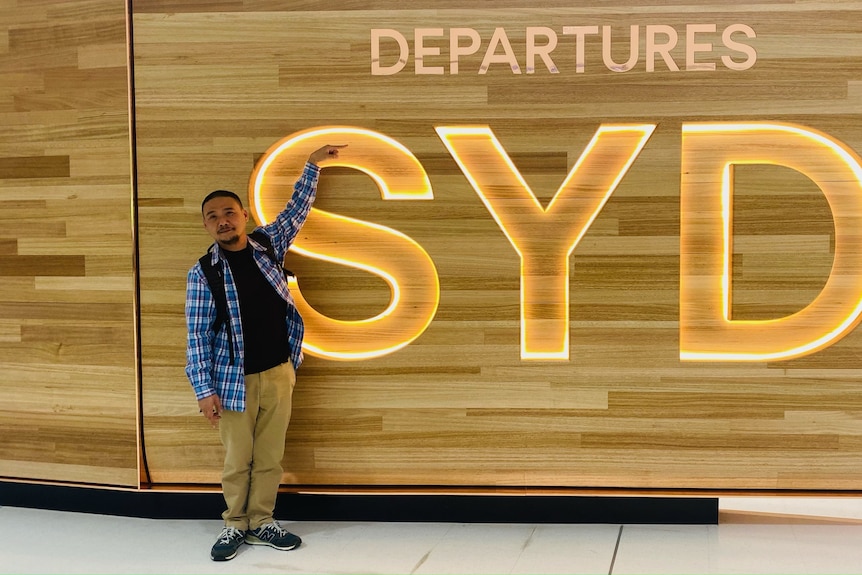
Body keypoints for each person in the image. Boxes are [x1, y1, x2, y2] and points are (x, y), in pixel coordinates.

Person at [185, 143, 346, 562]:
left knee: (271, 455)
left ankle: (262, 521)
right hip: (231, 380)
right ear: (206, 226)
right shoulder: (203, 273)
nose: (222, 221)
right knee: (239, 459)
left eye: (228, 213)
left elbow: (296, 211)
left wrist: (312, 166)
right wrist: (205, 390)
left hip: (278, 372)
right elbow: (197, 335)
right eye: (212, 217)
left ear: (244, 216)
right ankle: (234, 525)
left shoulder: (267, 245)